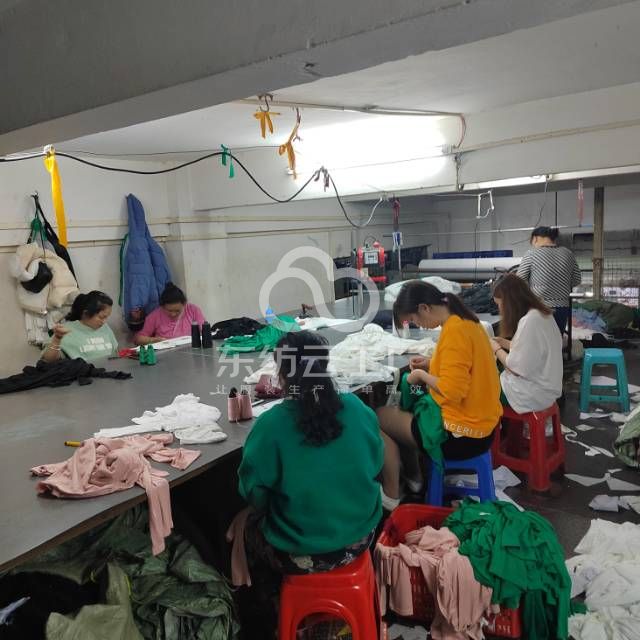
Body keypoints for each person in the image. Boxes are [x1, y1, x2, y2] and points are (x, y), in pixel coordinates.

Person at [236, 330, 383, 637]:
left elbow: (254, 493)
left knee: (243, 528)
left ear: (281, 374)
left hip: (302, 554)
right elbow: (375, 463)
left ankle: (271, 613)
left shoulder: (271, 425)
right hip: (360, 536)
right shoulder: (356, 409)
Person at [377, 281, 502, 511]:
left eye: (414, 320)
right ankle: (415, 479)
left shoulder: (455, 332)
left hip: (462, 436)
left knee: (380, 416)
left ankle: (392, 492)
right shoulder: (465, 321)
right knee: (404, 412)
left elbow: (453, 391)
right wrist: (430, 363)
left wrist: (421, 376)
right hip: (484, 425)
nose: (418, 326)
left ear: (424, 308)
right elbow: (463, 368)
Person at [491, 274, 563, 414]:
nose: (499, 309)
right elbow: (533, 350)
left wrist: (496, 349)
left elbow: (515, 369)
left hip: (532, 395)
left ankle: (488, 426)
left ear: (509, 302)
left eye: (499, 304)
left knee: (478, 386)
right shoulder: (542, 314)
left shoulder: (530, 321)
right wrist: (504, 343)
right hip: (548, 388)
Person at [516, 226, 581, 333]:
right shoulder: (568, 253)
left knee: (539, 340)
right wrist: (561, 284)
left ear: (535, 238)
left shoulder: (531, 254)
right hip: (562, 307)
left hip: (539, 307)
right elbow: (577, 280)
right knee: (556, 338)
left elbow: (518, 281)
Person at [41, 291, 118, 363]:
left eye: (106, 317)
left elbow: (115, 354)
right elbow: (48, 360)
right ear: (86, 314)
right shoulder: (65, 330)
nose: (104, 322)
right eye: (101, 317)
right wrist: (57, 339)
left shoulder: (105, 328)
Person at [134, 282, 205, 345]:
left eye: (177, 311)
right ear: (162, 306)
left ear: (184, 304)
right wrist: (153, 340)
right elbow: (138, 339)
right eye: (169, 311)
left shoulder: (192, 310)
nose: (173, 314)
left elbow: (204, 331)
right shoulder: (155, 315)